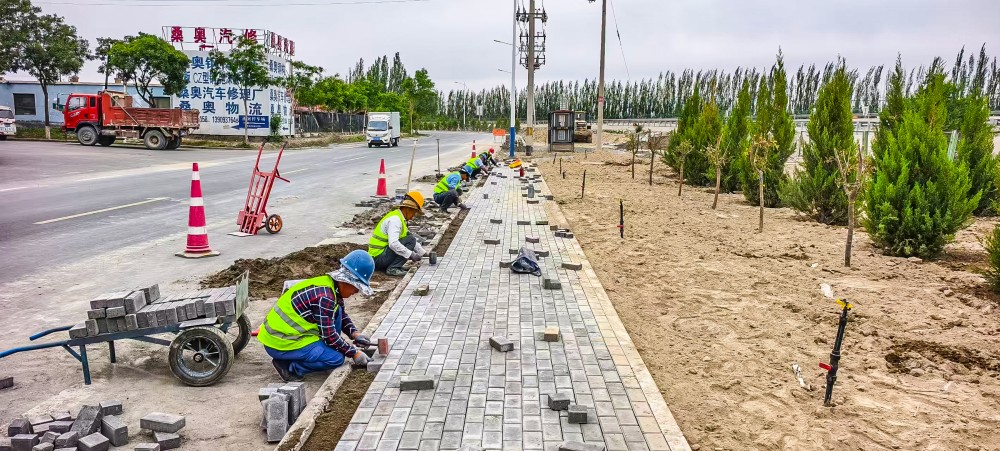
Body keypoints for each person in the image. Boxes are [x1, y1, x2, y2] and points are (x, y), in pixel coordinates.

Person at [258, 249, 375, 382]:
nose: (356, 292)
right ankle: (289, 367)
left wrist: (355, 334)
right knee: (336, 358)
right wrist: (354, 353)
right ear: (347, 281)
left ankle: (320, 351)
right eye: (356, 287)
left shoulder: (331, 286)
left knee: (337, 313)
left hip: (289, 335)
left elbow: (341, 315)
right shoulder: (325, 297)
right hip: (280, 342)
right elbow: (330, 336)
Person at [369, 191, 426, 276]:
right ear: (408, 209)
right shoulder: (395, 220)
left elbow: (407, 237)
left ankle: (395, 266)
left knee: (410, 238)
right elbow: (393, 243)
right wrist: (411, 254)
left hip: (379, 256)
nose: (413, 217)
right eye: (414, 213)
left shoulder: (399, 218)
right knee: (410, 239)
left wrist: (423, 253)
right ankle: (393, 268)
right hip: (377, 258)